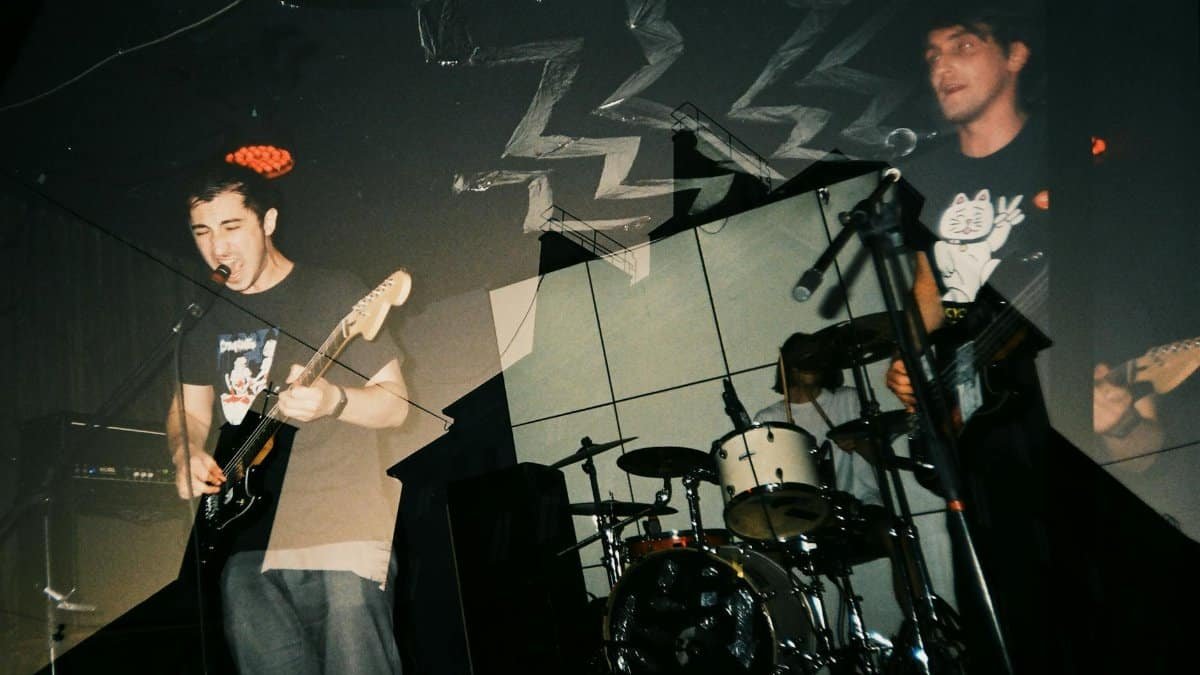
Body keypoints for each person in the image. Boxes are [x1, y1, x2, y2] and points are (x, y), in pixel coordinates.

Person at [166, 162, 409, 674]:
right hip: (245, 542)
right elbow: (188, 410)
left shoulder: (332, 292)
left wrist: (334, 401)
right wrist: (184, 450)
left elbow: (396, 405)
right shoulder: (203, 320)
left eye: (232, 228)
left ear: (268, 222)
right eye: (203, 232)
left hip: (340, 526)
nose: (219, 249)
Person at [883, 4, 1060, 673]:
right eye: (931, 54)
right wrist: (909, 355)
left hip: (1055, 400)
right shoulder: (924, 179)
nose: (941, 66)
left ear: (1015, 55)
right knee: (999, 603)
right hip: (976, 429)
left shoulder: (1059, 148)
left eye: (962, 45)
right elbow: (930, 287)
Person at [753, 331, 880, 508]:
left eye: (815, 358)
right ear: (788, 366)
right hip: (804, 518)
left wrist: (858, 444)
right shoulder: (768, 419)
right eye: (802, 358)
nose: (810, 364)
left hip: (863, 508)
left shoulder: (849, 400)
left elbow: (883, 459)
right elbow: (765, 485)